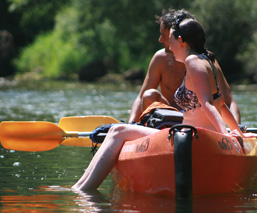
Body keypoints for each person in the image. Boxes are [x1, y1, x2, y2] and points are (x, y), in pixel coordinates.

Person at [72, 17, 243, 191]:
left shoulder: (192, 62)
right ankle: (80, 187)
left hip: (193, 138)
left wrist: (226, 137)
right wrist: (236, 131)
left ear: (181, 41)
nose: (169, 47)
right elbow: (221, 105)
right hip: (195, 136)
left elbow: (208, 104)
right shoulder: (207, 60)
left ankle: (81, 191)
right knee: (119, 130)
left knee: (117, 130)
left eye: (171, 42)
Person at [129, 9, 241, 124]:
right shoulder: (160, 58)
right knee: (149, 95)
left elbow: (227, 102)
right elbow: (140, 97)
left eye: (164, 36)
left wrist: (237, 130)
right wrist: (131, 122)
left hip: (196, 120)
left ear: (179, 38)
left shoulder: (204, 60)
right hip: (170, 118)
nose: (160, 40)